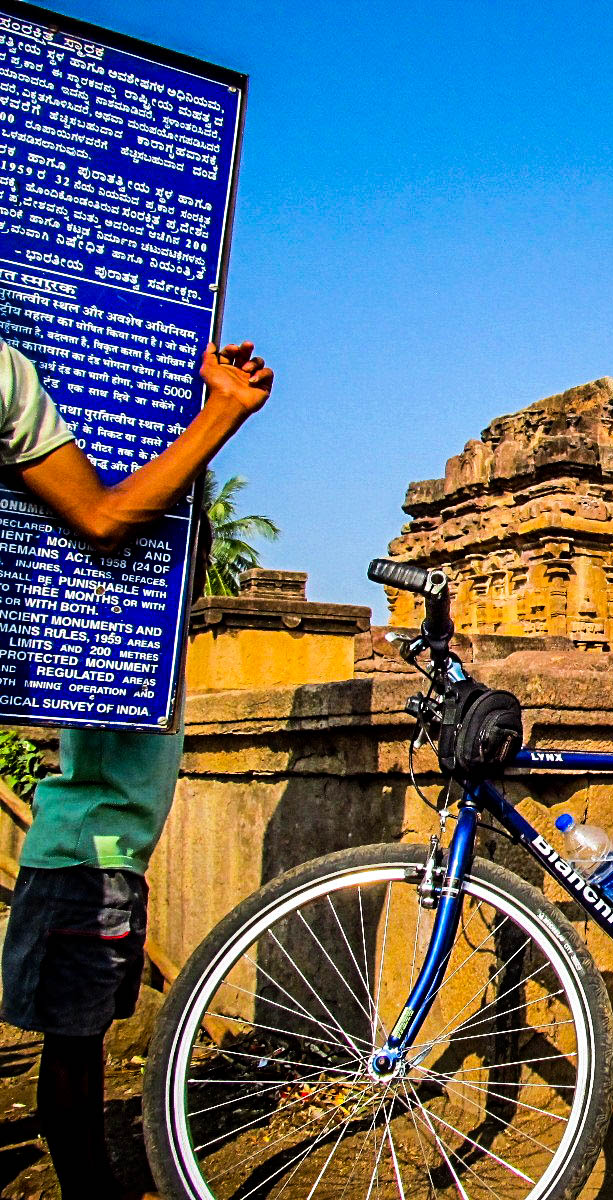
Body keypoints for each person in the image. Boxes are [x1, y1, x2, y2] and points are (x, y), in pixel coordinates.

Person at [0, 338, 273, 1200]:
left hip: (101, 857)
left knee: (77, 1048)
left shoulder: (126, 639)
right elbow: (110, 519)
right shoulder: (98, 633)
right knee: (76, 1058)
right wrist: (218, 415)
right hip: (85, 859)